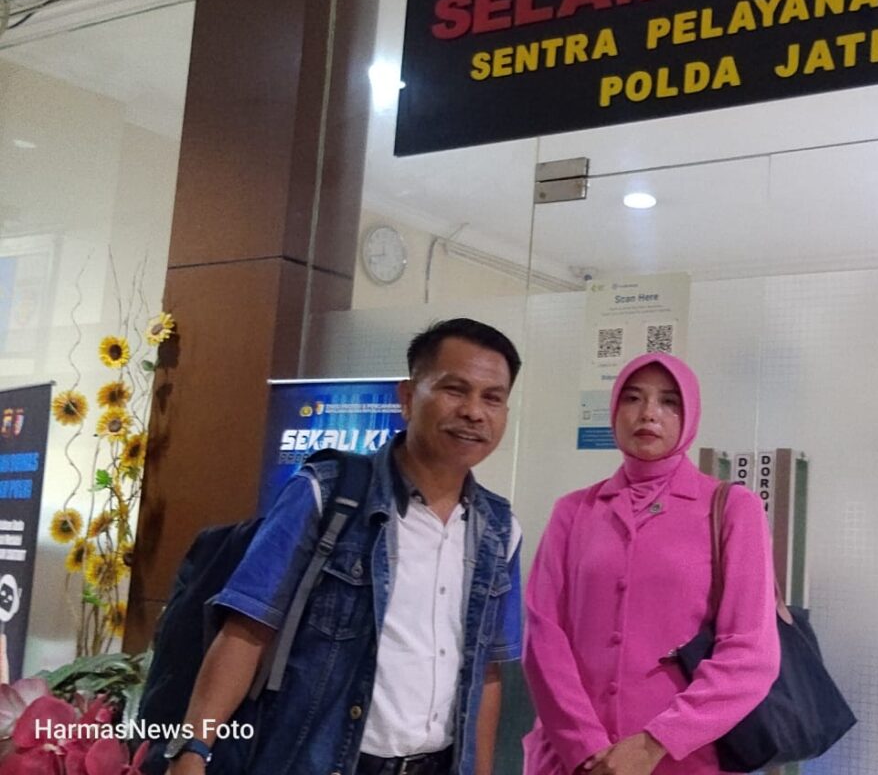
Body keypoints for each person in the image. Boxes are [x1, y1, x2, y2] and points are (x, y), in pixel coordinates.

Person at [166, 318, 524, 775]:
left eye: (492, 398)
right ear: (408, 398)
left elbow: (487, 671)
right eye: (455, 390)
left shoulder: (500, 529)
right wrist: (192, 750)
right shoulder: (326, 493)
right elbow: (247, 630)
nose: (474, 412)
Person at [522, 353, 779, 775]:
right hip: (569, 761)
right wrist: (586, 749)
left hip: (685, 760)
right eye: (633, 398)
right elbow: (542, 636)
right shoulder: (574, 510)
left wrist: (653, 744)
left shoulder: (733, 509)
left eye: (669, 401)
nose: (648, 413)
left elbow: (750, 653)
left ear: (690, 415)